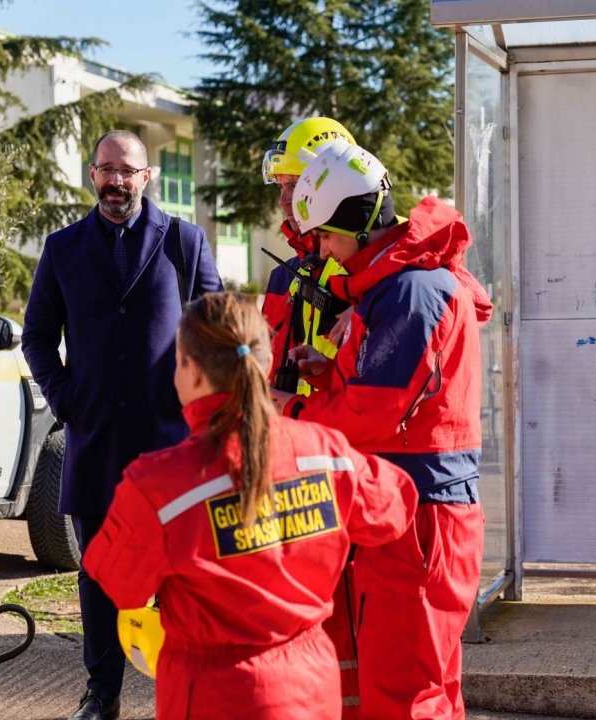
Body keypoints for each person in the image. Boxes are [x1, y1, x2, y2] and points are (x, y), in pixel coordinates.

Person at [81, 292, 418, 720]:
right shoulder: (326, 452)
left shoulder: (158, 485)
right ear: (263, 363)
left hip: (214, 695)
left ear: (192, 370)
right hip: (312, 684)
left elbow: (116, 583)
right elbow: (395, 507)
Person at [22, 129, 223, 720]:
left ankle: (186, 692)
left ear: (147, 177)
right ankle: (101, 691)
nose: (116, 181)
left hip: (172, 448)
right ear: (92, 175)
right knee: (100, 575)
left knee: (181, 576)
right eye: (106, 170)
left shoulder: (184, 242)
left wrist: (203, 413)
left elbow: (215, 333)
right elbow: (36, 337)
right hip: (94, 443)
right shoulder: (62, 249)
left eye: (127, 171)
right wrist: (65, 398)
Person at [287, 142, 493, 719]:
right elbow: (398, 398)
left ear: (353, 221)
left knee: (404, 696)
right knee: (425, 687)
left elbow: (371, 414)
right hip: (416, 515)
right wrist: (332, 373)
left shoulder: (410, 291)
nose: (323, 251)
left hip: (418, 519)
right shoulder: (405, 284)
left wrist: (295, 417)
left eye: (325, 235)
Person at [261, 116, 363, 716]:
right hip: (292, 458)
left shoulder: (363, 271)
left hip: (336, 460)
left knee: (346, 627)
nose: (283, 198)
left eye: (292, 185)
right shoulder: (289, 272)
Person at [261, 117, 356, 392]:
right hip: (298, 430)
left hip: (355, 430)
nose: (283, 199)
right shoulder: (283, 276)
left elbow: (469, 300)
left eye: (295, 184)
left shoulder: (393, 248)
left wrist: (374, 306)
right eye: (281, 186)